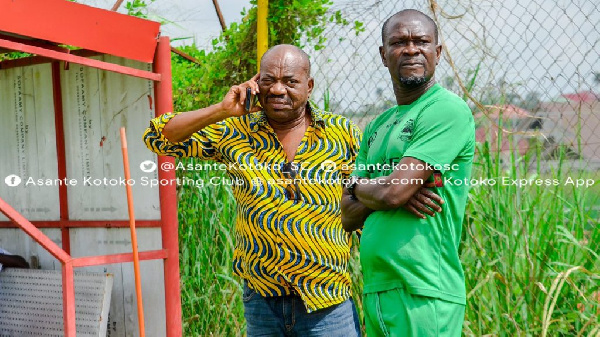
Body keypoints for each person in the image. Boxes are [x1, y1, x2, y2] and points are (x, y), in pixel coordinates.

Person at [143, 44, 363, 336]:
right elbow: (159, 137)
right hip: (262, 301)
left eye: (290, 81)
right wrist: (222, 110)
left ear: (308, 86)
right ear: (256, 84)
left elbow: (367, 198)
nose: (277, 90)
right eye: (268, 80)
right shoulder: (235, 132)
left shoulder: (341, 134)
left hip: (327, 301)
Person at [341, 9, 475, 337]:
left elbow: (393, 192)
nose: (411, 49)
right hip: (377, 288)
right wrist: (369, 189)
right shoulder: (377, 126)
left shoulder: (445, 110)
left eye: (421, 42)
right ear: (384, 55)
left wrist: (368, 188)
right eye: (399, 42)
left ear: (437, 53)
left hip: (424, 290)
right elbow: (347, 215)